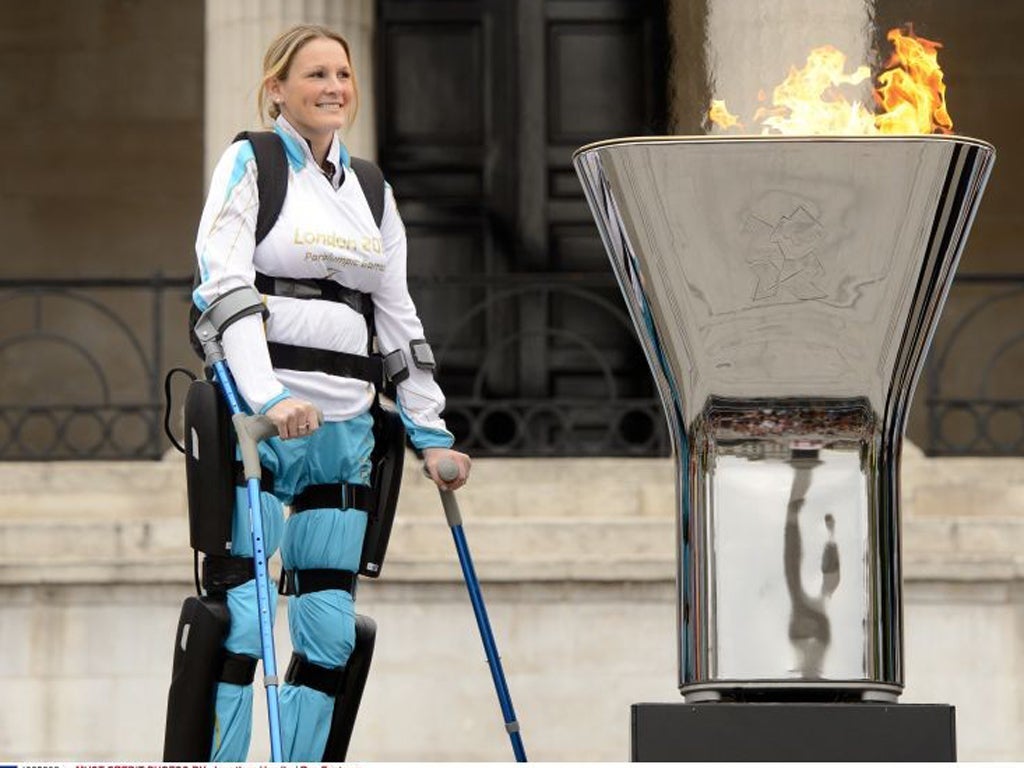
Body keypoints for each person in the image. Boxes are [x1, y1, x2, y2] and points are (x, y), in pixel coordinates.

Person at [192, 23, 471, 761]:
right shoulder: (252, 163)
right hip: (260, 430)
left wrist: (430, 431)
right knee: (244, 623)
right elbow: (221, 284)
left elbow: (397, 316)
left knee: (329, 634)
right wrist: (264, 398)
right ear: (277, 87)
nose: (334, 88)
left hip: (344, 433)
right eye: (315, 75)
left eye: (342, 74)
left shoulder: (371, 189)